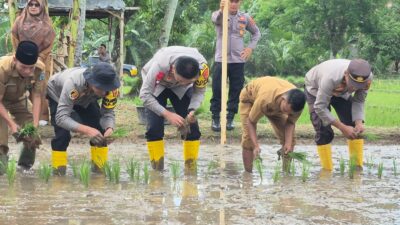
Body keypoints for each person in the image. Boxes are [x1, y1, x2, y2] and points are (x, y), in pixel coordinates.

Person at [139, 46, 209, 171]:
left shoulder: (203, 69)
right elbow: (144, 95)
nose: (184, 83)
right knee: (154, 128)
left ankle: (190, 170)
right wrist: (167, 114)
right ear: (173, 70)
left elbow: (199, 92)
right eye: (182, 80)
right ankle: (157, 171)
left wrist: (193, 110)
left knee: (191, 128)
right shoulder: (160, 65)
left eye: (189, 82)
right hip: (158, 85)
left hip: (181, 91)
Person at [47, 62, 120, 175]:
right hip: (58, 93)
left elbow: (108, 112)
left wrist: (109, 127)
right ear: (91, 82)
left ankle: (98, 171)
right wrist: (87, 130)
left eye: (107, 89)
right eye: (101, 88)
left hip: (87, 98)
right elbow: (61, 118)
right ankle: (58, 172)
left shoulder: (111, 90)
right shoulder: (74, 83)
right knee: (63, 136)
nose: (104, 93)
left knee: (100, 131)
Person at [304, 59, 373, 171]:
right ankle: (327, 171)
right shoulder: (330, 78)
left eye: (358, 86)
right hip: (316, 89)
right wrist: (342, 127)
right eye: (353, 84)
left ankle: (356, 169)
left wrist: (358, 122)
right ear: (346, 74)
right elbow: (320, 107)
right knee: (324, 131)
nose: (355, 88)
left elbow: (359, 100)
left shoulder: (367, 78)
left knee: (354, 126)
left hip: (341, 92)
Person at [210, 0, 261, 132]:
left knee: (236, 90)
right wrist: (222, 10)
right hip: (221, 59)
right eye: (230, 1)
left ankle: (230, 118)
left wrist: (250, 48)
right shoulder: (218, 14)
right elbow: (216, 20)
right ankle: (215, 118)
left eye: (236, 1)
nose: (233, 4)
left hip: (238, 60)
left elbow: (256, 33)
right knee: (217, 89)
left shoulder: (245, 17)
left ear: (240, 3)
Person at [239, 76, 306, 172]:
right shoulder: (265, 99)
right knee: (248, 138)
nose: (287, 114)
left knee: (290, 141)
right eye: (285, 111)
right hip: (250, 98)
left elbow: (290, 123)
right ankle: (248, 176)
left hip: (275, 106)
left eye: (290, 113)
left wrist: (287, 143)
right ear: (283, 99)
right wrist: (256, 145)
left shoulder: (296, 106)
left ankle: (285, 174)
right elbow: (251, 121)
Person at [0, 41, 45, 174]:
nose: (27, 71)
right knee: (1, 137)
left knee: (32, 133)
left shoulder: (39, 69)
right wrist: (12, 124)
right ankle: (1, 172)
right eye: (23, 67)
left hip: (18, 99)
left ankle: (25, 168)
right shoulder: (2, 69)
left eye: (31, 68)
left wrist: (35, 124)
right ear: (15, 59)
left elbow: (37, 96)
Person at [11, 0, 56, 126]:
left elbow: (49, 44)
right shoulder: (19, 21)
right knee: (19, 87)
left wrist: (40, 58)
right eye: (31, 4)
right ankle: (22, 117)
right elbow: (14, 37)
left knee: (39, 89)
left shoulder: (47, 24)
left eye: (37, 5)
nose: (33, 7)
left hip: (40, 61)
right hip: (21, 59)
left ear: (41, 7)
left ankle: (43, 117)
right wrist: (20, 54)